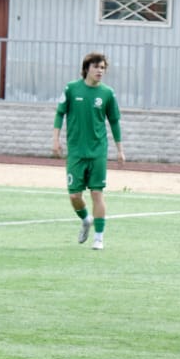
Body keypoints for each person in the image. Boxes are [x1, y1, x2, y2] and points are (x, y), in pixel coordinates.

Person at [51, 52, 124, 250]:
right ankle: (85, 220)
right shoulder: (72, 89)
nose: (100, 71)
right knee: (74, 196)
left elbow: (114, 122)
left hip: (98, 151)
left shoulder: (107, 93)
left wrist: (119, 149)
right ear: (86, 69)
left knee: (97, 193)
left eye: (102, 68)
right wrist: (55, 139)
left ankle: (99, 238)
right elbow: (60, 114)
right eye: (96, 67)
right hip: (76, 152)